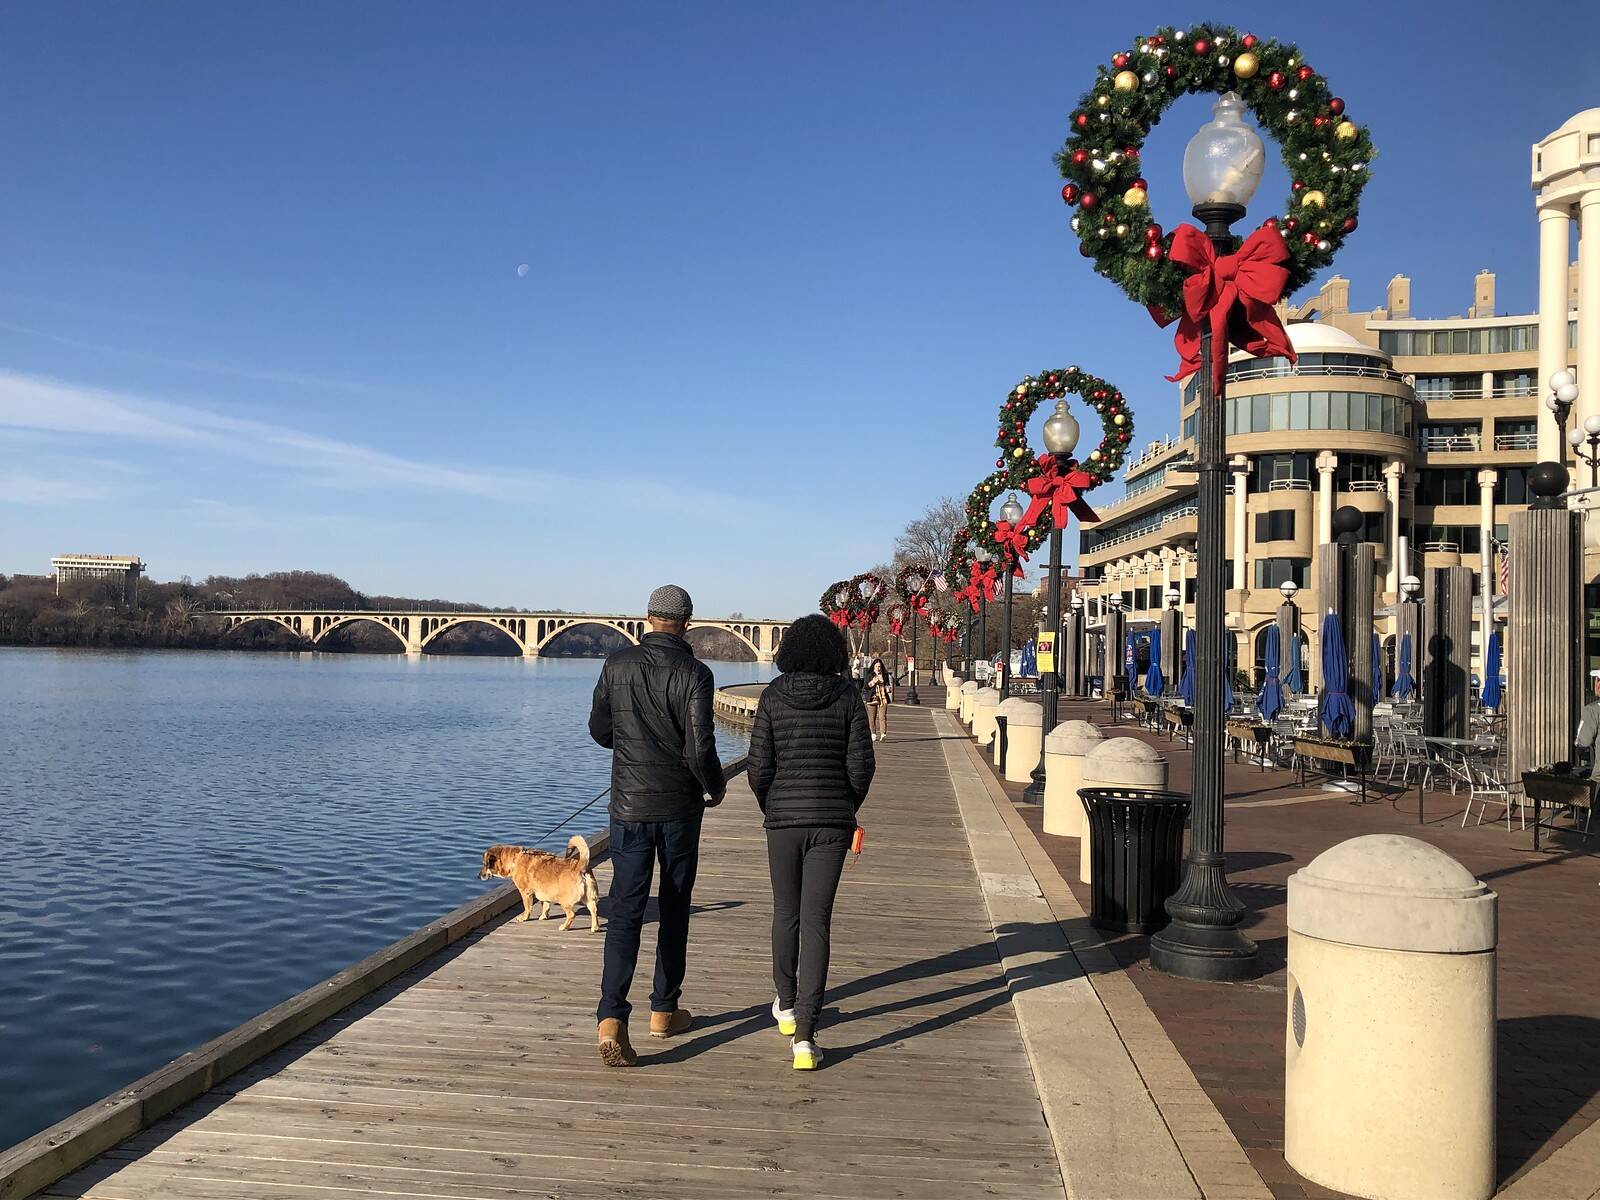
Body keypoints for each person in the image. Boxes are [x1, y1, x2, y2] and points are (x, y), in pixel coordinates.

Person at [588, 584, 726, 1067]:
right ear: (687, 622)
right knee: (674, 906)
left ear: (647, 618)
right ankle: (664, 1010)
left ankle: (611, 1017)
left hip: (628, 808)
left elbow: (599, 730)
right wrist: (716, 788)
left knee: (625, 911)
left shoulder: (616, 665)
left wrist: (630, 743)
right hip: (679, 809)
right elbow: (700, 747)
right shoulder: (696, 673)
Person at [746, 614, 874, 1070]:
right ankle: (805, 1035)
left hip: (783, 821)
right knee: (817, 920)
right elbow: (861, 765)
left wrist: (771, 804)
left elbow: (757, 766)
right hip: (831, 823)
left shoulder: (772, 696)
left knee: (786, 913)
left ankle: (785, 1004)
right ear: (833, 653)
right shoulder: (848, 696)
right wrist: (845, 803)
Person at [864, 656, 892, 742]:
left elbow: (887, 685)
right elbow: (865, 687)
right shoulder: (870, 675)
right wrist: (873, 682)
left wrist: (888, 689)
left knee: (882, 716)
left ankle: (883, 734)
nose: (878, 668)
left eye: (879, 666)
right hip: (872, 697)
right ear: (873, 667)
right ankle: (873, 733)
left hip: (882, 698)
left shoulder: (885, 675)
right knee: (872, 717)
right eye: (876, 666)